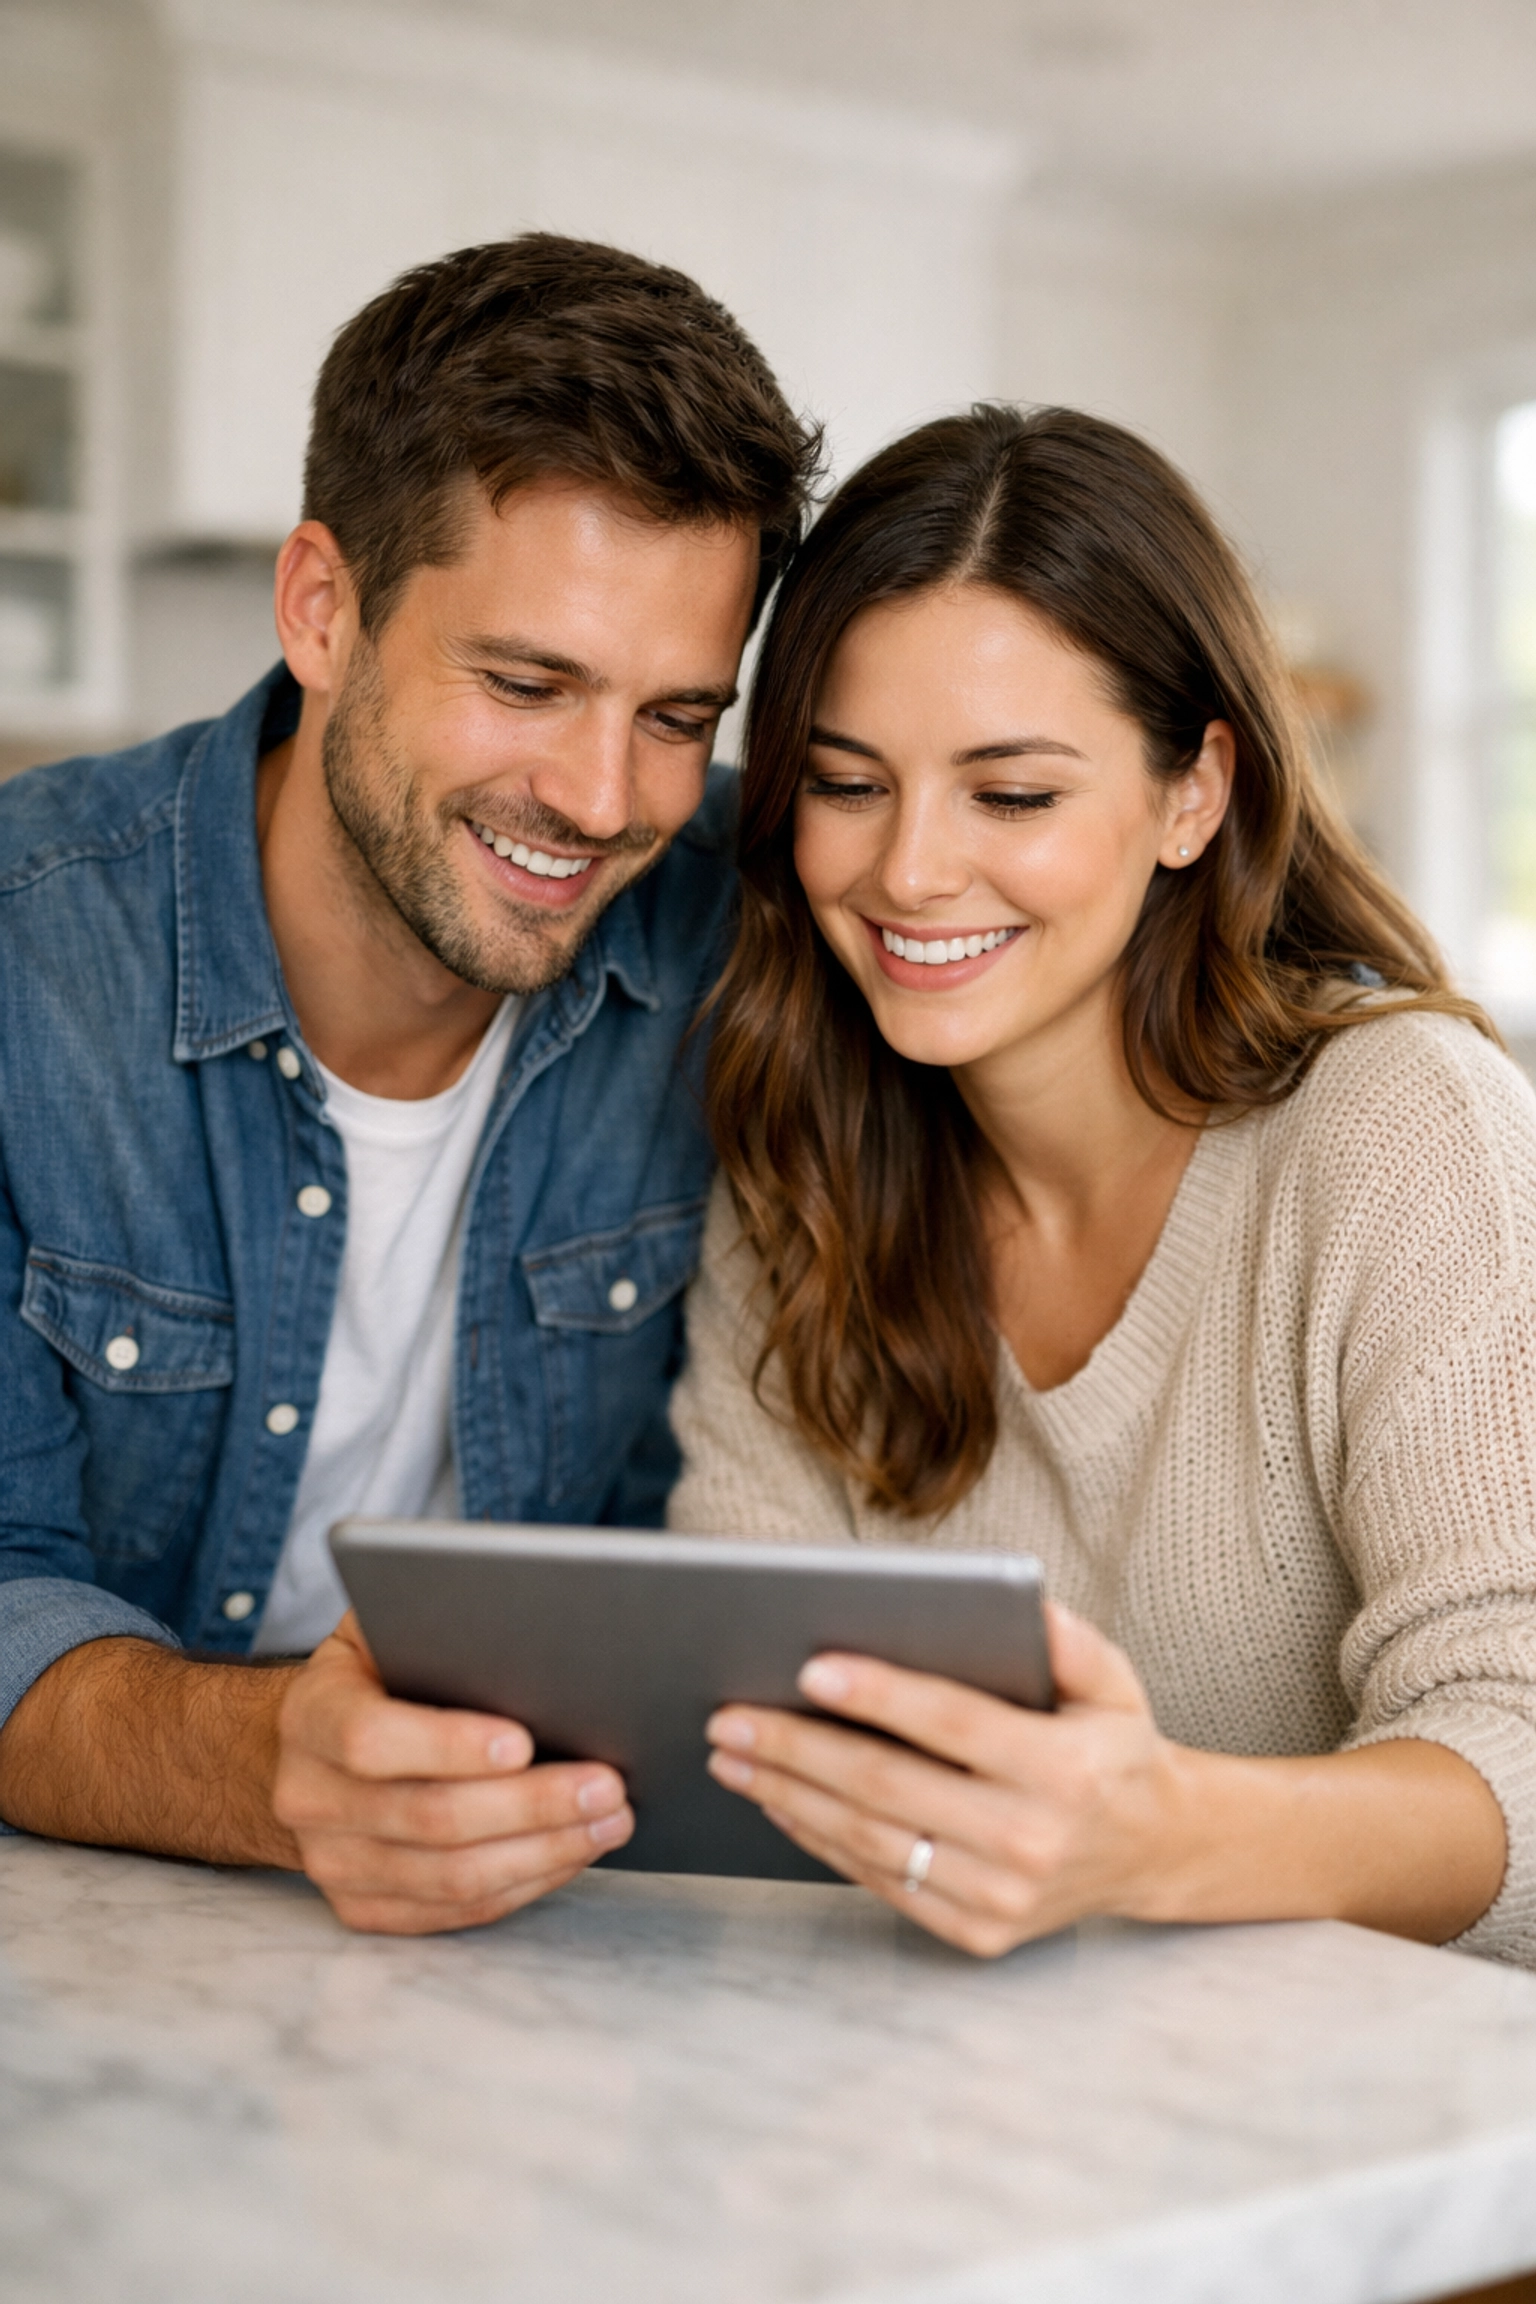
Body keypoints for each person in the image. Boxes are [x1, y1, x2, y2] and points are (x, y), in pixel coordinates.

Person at [0, 233, 820, 1936]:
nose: (601, 798)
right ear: (323, 608)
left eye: (678, 713)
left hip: (563, 1943)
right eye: (525, 684)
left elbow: (1088, 913)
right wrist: (262, 1766)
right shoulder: (26, 968)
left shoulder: (740, 921)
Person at [669, 403, 1536, 1967]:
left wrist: (1158, 1837)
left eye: (1012, 796)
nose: (911, 871)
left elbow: (1524, 1755)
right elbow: (754, 1715)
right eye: (848, 785)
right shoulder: (803, 1156)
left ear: (1193, 794)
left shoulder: (1403, 1128)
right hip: (968, 2096)